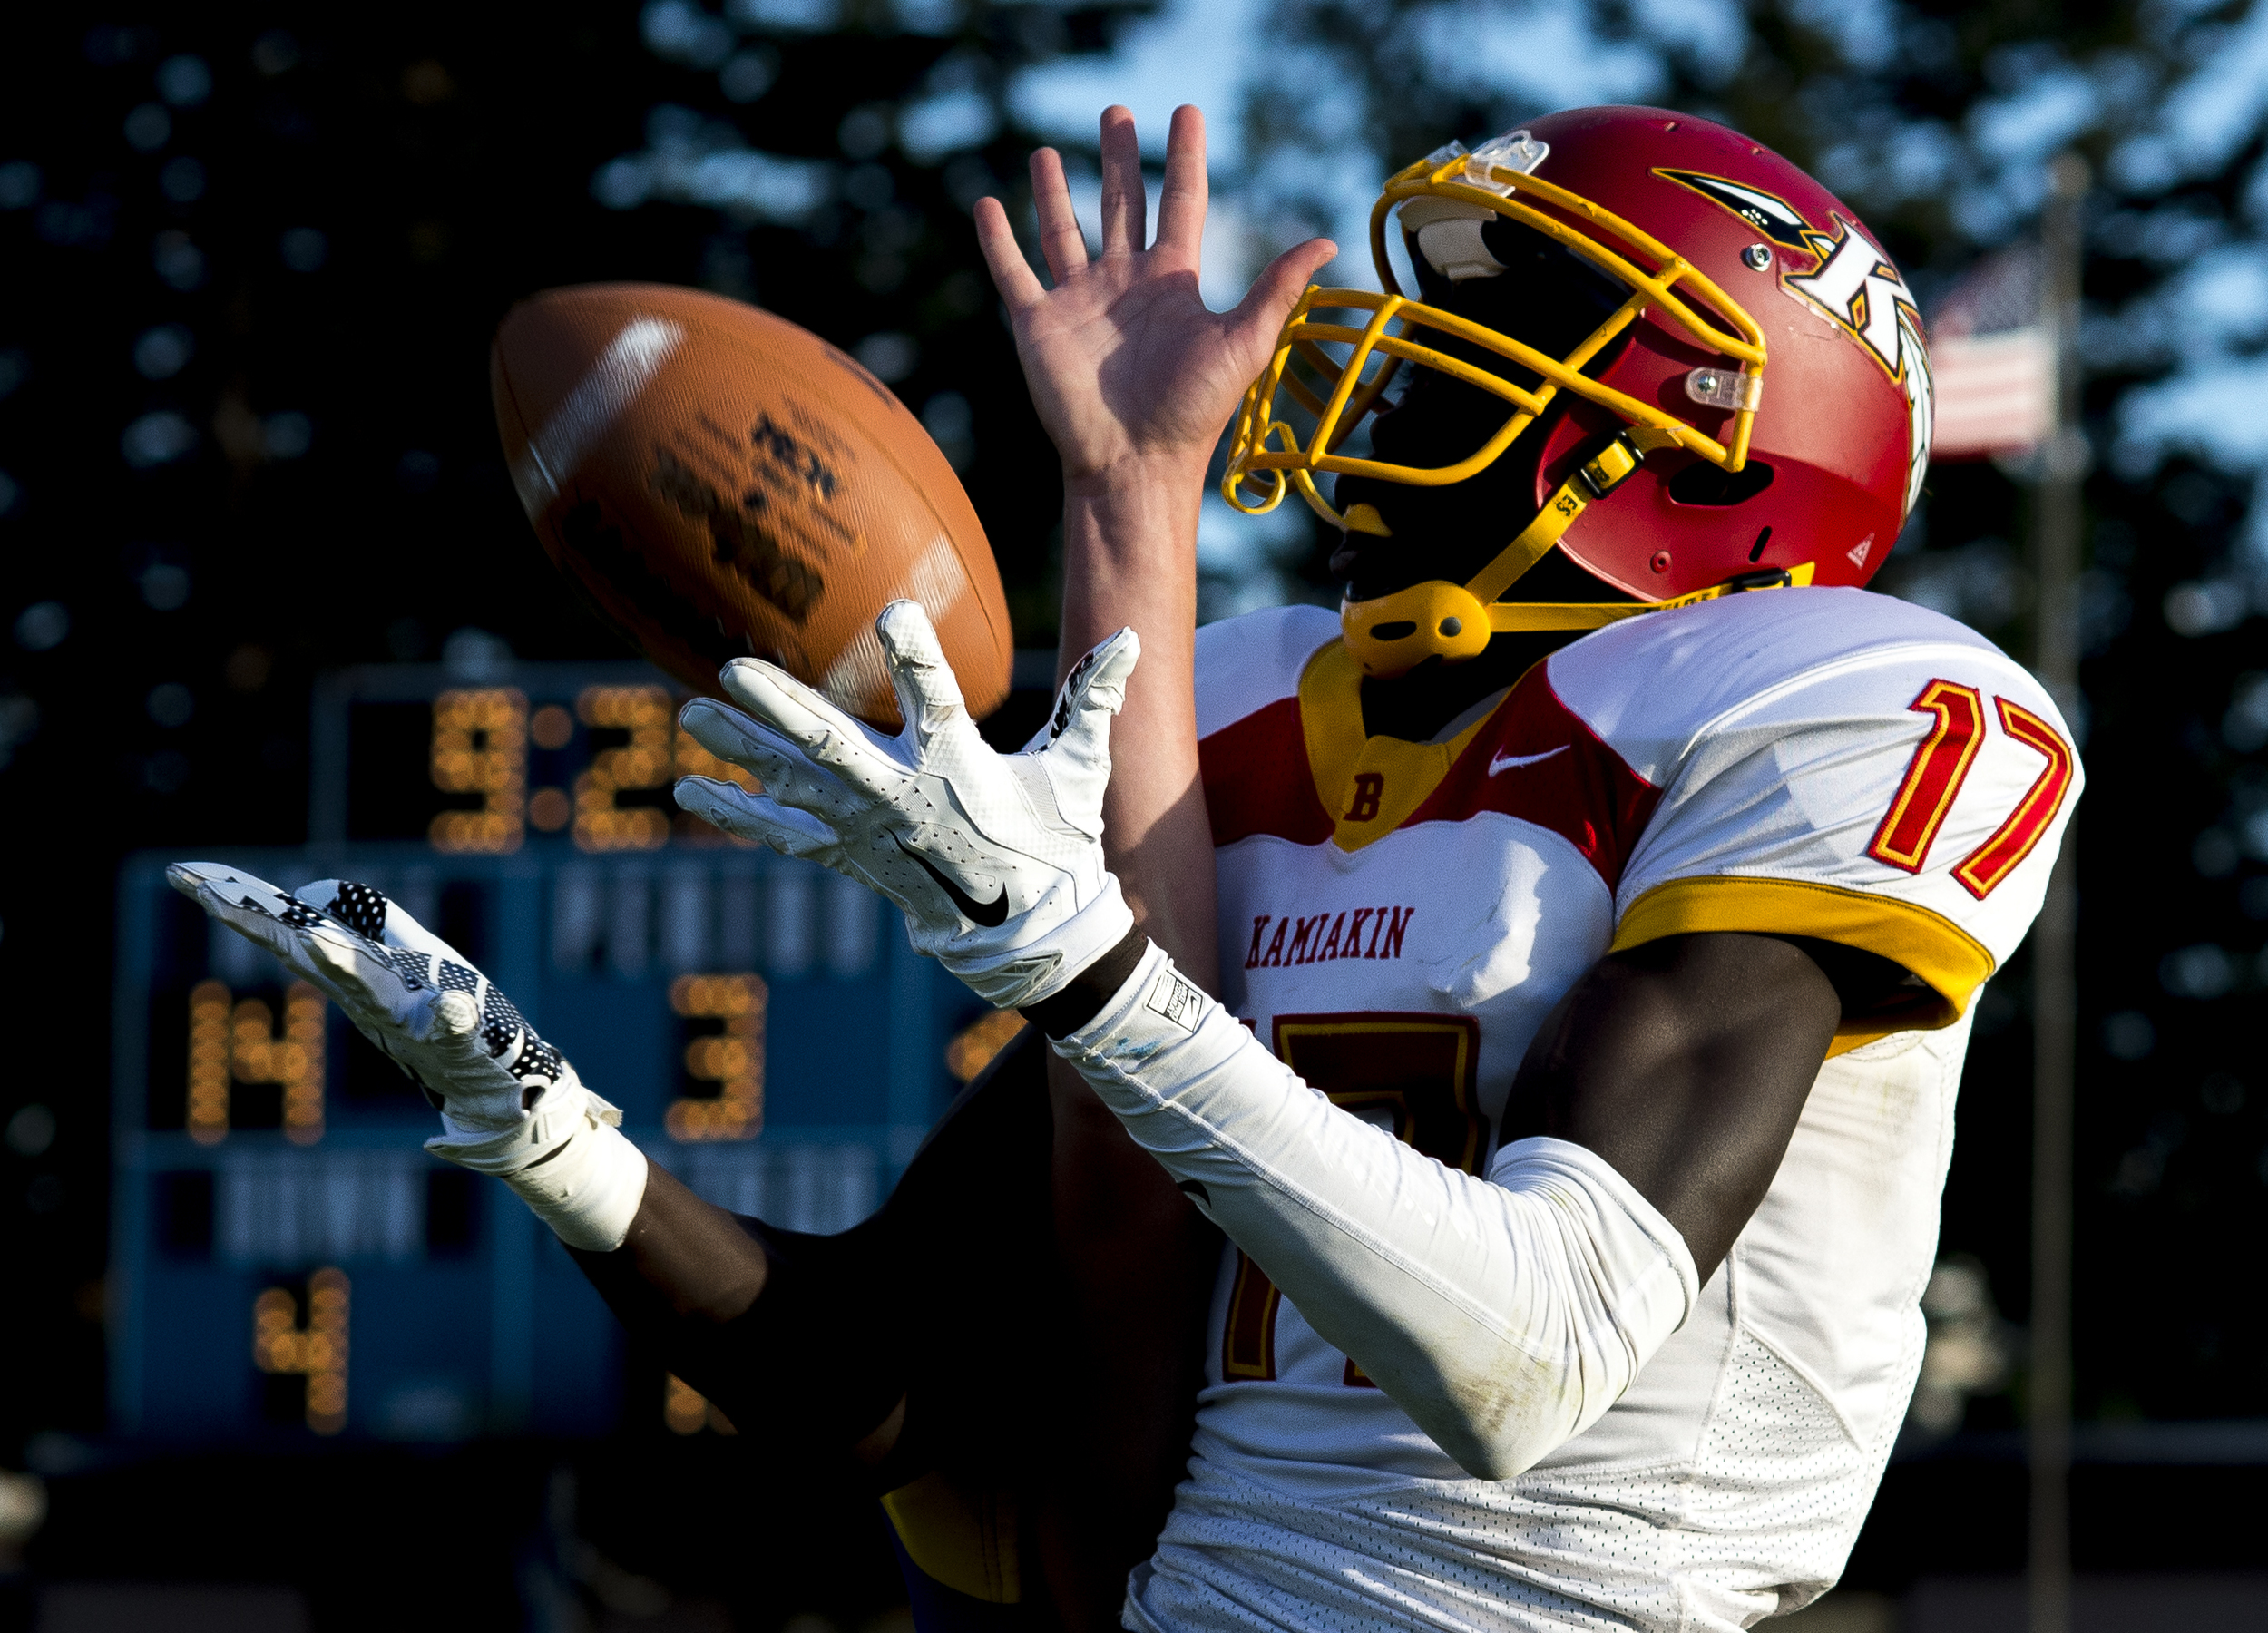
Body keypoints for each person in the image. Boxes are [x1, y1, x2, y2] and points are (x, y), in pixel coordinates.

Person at [172, 100, 2080, 1633]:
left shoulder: (1826, 700)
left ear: (1702, 450)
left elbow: (1532, 1353)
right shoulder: (1254, 715)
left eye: (1505, 328)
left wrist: (1089, 973)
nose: (1408, 354)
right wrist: (547, 1133)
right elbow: (862, 1377)